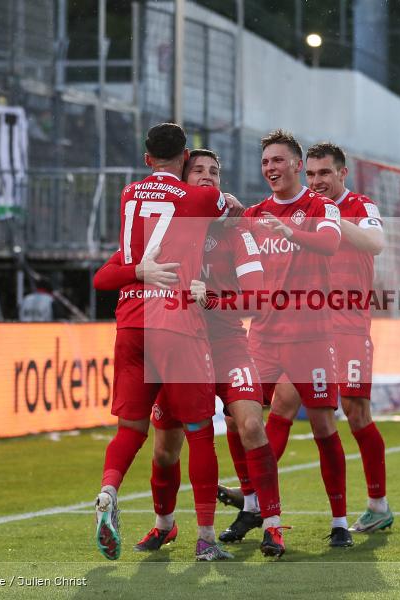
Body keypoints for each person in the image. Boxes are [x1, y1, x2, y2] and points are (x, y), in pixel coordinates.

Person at [94, 149, 288, 558]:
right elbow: (108, 272)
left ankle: (271, 523)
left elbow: (258, 300)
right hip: (179, 343)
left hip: (227, 345)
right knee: (165, 449)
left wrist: (214, 298)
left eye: (214, 172)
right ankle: (165, 525)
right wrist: (138, 271)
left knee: (251, 424)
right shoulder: (165, 231)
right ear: (182, 179)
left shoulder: (236, 230)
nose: (206, 177)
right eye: (197, 170)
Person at [92, 123, 238, 562]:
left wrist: (136, 271)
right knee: (198, 435)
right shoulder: (199, 199)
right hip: (176, 323)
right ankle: (207, 537)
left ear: (145, 158)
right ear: (186, 158)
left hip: (131, 325)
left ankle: (108, 490)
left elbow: (109, 272)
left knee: (131, 430)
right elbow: (226, 207)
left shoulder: (128, 196)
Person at [241, 142, 391, 534]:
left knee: (357, 413)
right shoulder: (298, 210)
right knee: (282, 408)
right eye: (310, 175)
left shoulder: (360, 206)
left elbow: (376, 244)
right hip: (310, 325)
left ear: (342, 174)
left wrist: (325, 217)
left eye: (324, 173)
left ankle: (378, 503)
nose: (317, 181)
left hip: (350, 324)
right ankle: (257, 500)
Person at [240, 129, 352, 547]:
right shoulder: (252, 214)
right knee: (245, 419)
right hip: (264, 337)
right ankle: (263, 515)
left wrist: (289, 234)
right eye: (265, 161)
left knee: (324, 427)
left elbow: (329, 244)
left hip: (311, 337)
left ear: (297, 165)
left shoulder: (320, 206)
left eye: (278, 161)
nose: (271, 168)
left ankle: (340, 521)